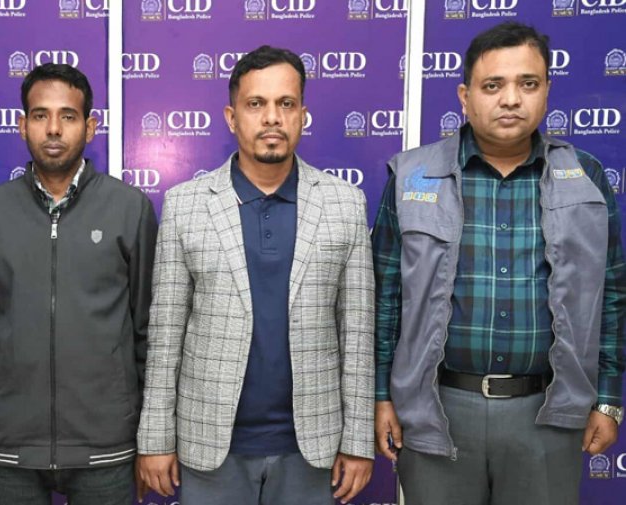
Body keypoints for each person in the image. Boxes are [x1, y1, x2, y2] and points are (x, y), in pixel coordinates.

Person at [373, 21, 626, 505]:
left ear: (547, 90)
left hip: (549, 413)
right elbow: (384, 301)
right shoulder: (411, 176)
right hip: (437, 409)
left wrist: (609, 399)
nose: (511, 99)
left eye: (527, 83)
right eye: (493, 86)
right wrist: (381, 396)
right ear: (465, 96)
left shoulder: (586, 177)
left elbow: (611, 297)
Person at [136, 45, 374, 505]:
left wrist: (358, 441)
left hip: (312, 447)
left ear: (302, 114)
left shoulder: (344, 204)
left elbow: (358, 334)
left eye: (286, 104)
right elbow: (165, 335)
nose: (271, 118)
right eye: (255, 104)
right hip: (210, 443)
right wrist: (156, 438)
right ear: (232, 117)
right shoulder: (186, 205)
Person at [0, 63, 157, 505]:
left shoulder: (129, 209)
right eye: (40, 115)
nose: (53, 128)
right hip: (12, 447)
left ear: (90, 127)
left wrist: (152, 438)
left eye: (68, 116)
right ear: (22, 125)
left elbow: (150, 332)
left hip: (106, 447)